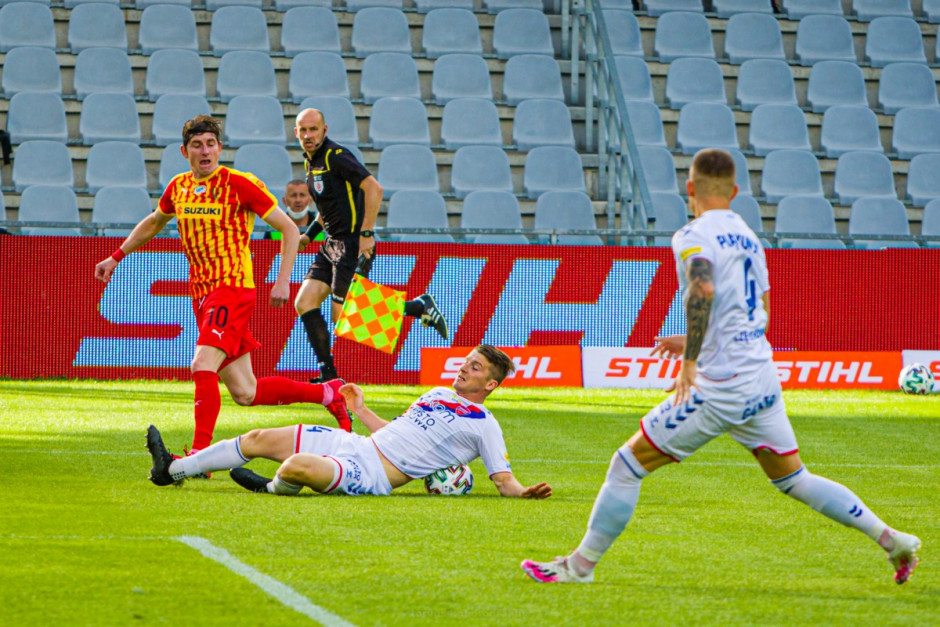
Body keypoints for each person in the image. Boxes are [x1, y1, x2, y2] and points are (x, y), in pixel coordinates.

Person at [520, 149, 921, 585]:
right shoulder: (749, 237)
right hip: (760, 378)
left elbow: (702, 289)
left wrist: (691, 359)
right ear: (735, 190)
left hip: (722, 384)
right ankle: (891, 539)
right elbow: (761, 309)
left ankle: (579, 567)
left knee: (626, 466)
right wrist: (699, 340)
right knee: (794, 479)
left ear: (689, 187)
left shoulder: (692, 234)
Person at [95, 115, 353, 464]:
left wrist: (282, 280)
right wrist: (116, 256)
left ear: (219, 148)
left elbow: (289, 229)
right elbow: (155, 221)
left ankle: (198, 457)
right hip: (202, 294)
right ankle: (328, 393)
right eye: (197, 145)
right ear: (184, 151)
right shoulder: (179, 187)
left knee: (202, 363)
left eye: (210, 144)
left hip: (231, 288)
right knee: (246, 392)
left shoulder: (239, 184)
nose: (205, 151)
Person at [145, 345, 552, 501]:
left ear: (491, 384)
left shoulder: (485, 424)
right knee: (257, 438)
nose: (463, 368)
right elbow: (393, 431)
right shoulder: (437, 393)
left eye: (475, 367)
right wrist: (360, 409)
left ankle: (270, 487)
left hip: (372, 473)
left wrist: (524, 492)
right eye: (466, 361)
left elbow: (503, 480)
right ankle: (172, 470)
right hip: (356, 446)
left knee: (296, 466)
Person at [292, 108, 449, 383]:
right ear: (296, 133)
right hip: (331, 243)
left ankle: (418, 307)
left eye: (313, 129)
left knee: (342, 316)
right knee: (304, 302)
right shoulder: (312, 162)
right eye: (303, 130)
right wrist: (309, 234)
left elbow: (374, 188)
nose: (308, 135)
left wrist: (366, 233)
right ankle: (328, 375)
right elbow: (327, 209)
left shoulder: (336, 156)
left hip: (351, 243)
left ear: (324, 130)